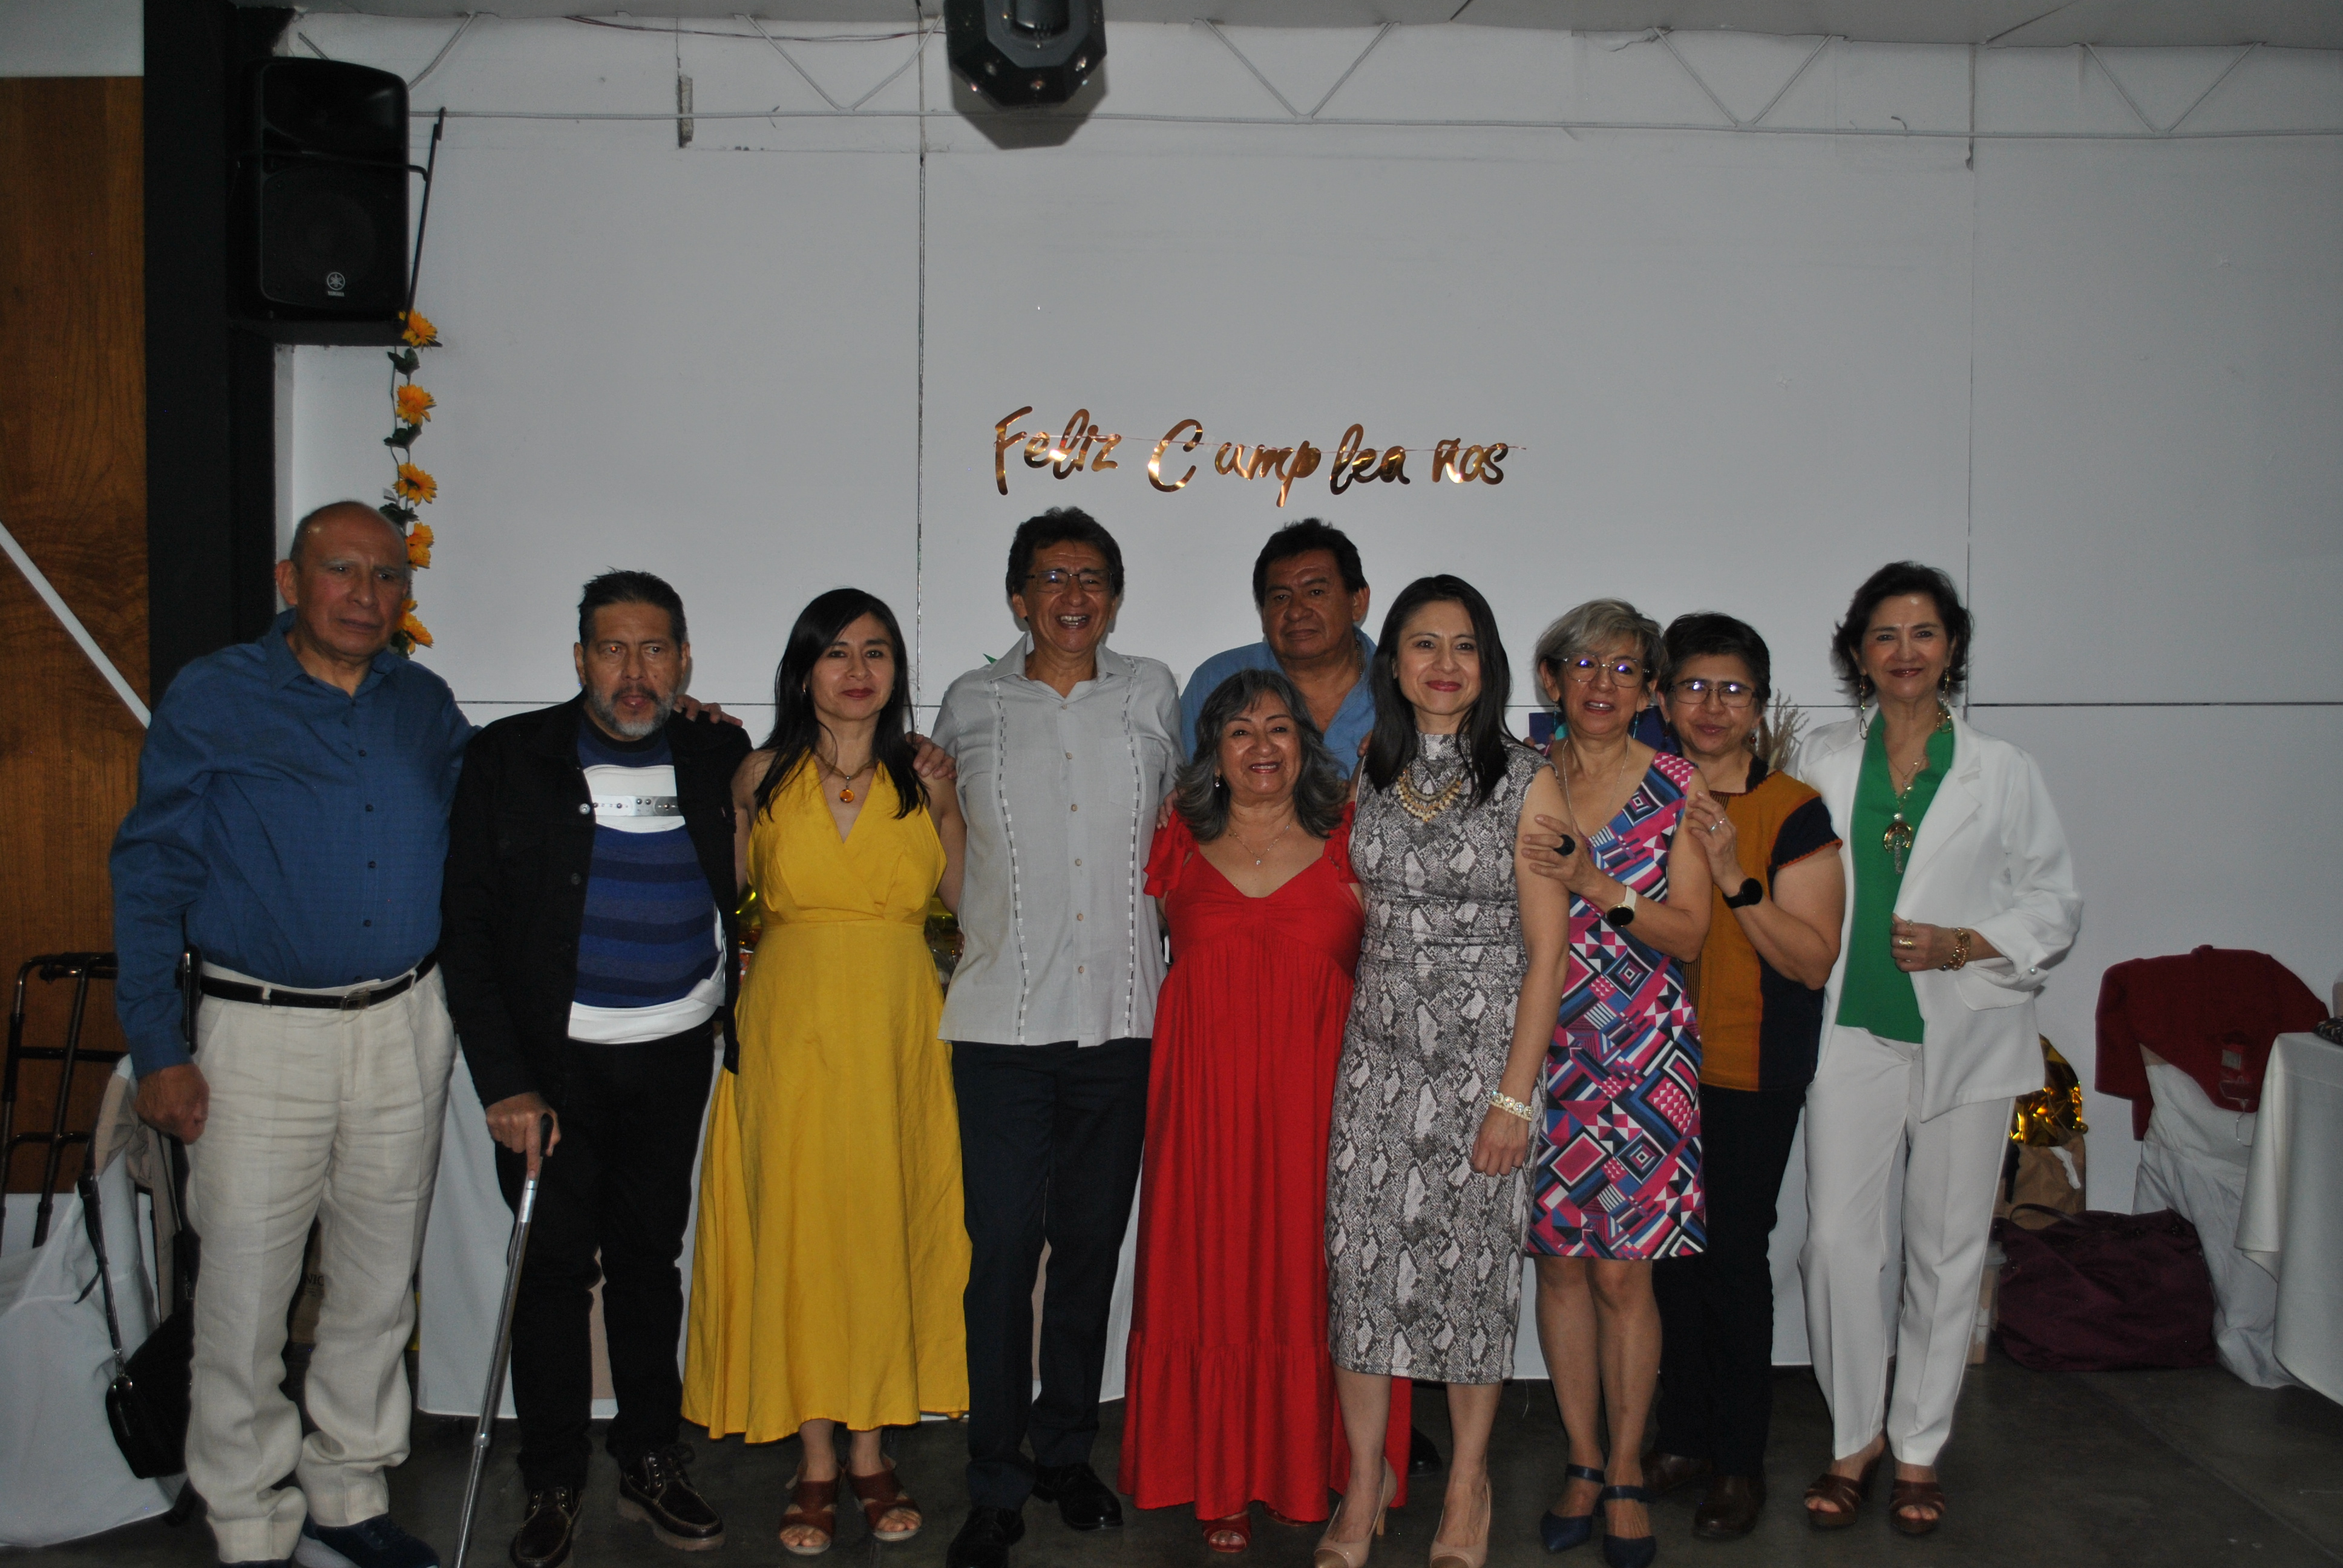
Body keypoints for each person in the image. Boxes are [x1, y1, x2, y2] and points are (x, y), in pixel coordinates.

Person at [111, 501, 469, 1568]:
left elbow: (501, 803)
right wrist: (158, 1048)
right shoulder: (215, 695)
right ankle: (249, 1517)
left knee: (377, 1284)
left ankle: (347, 1496)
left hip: (404, 1023)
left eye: (388, 577)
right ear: (289, 580)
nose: (367, 595)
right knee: (244, 1292)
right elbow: (150, 872)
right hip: (259, 1033)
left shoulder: (423, 704)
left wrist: (666, 726)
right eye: (342, 570)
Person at [439, 571, 747, 1567]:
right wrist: (503, 1080)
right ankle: (554, 1478)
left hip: (675, 1054)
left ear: (684, 660)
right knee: (552, 1275)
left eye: (654, 649)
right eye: (612, 649)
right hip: (551, 1072)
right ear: (579, 659)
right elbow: (467, 926)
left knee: (650, 1266)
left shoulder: (715, 750)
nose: (634, 671)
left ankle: (651, 1459)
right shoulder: (509, 756)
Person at [1792, 563, 2080, 1537]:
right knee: (1837, 1243)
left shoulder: (2004, 769)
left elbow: (2054, 903)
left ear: (1951, 646)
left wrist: (1966, 943)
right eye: (1885, 634)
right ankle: (1854, 1436)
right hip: (1852, 1029)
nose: (1904, 651)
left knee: (1947, 1250)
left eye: (1923, 633)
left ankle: (1918, 1447)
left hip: (1969, 1028)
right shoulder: (1822, 758)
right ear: (1857, 652)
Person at [683, 589, 970, 1555]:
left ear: (897, 673)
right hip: (789, 1031)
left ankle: (873, 1451)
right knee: (799, 1228)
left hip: (897, 1029)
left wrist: (961, 797)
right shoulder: (755, 775)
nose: (857, 670)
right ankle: (814, 1461)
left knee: (887, 1225)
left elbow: (969, 902)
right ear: (804, 670)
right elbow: (728, 894)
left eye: (876, 652)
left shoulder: (926, 778)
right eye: (836, 652)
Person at [931, 508, 1184, 1568]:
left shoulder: (1154, 694)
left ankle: (1066, 1451)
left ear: (1113, 599)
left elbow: (1182, 836)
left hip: (1122, 1022)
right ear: (1018, 597)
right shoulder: (969, 703)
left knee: (1087, 1251)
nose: (1072, 596)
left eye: (1091, 578)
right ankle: (994, 1478)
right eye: (1051, 577)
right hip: (1001, 1024)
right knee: (1000, 1257)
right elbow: (950, 852)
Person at [1118, 669, 1411, 1550]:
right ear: (1213, 753)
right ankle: (1221, 1475)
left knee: (1310, 1280)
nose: (1261, 746)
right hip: (1201, 1115)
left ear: (1304, 746)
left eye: (1279, 728)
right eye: (1240, 731)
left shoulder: (1350, 842)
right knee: (1209, 1275)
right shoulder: (1173, 843)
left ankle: (1309, 1467)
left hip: (1320, 1111)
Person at [1323, 576, 1569, 1568]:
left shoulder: (1528, 779)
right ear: (1392, 663)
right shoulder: (1368, 771)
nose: (1444, 663)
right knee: (1361, 1272)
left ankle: (1468, 1484)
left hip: (1483, 1065)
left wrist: (1514, 1097)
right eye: (1423, 644)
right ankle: (1363, 1486)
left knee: (1471, 1278)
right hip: (1376, 1062)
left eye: (1464, 645)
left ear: (1488, 663)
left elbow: (1547, 956)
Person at [1613, 615, 1845, 1540]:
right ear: (1664, 701)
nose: (1712, 706)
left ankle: (1740, 1463)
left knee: (1736, 1261)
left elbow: (1812, 961)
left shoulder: (1793, 809)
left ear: (1760, 704)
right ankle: (1684, 1439)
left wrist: (1734, 873)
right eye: (1694, 687)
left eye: (1734, 689)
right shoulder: (1639, 791)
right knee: (1669, 1266)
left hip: (1750, 1066)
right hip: (1647, 1062)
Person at [1515, 599, 1711, 1568]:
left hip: (1642, 1056)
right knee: (1558, 1265)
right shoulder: (1521, 776)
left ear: (1648, 691)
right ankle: (1584, 1461)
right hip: (1539, 1053)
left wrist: (1601, 885)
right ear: (1551, 680)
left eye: (1626, 669)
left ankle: (1628, 1469)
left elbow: (1692, 932)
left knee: (1623, 1272)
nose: (1603, 684)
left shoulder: (1678, 786)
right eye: (1585, 665)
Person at [1180, 519, 1375, 769]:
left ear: (1357, 601)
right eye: (1281, 597)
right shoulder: (1216, 680)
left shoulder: (1404, 685)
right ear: (1263, 614)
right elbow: (1192, 785)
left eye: (1315, 592)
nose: (1296, 612)